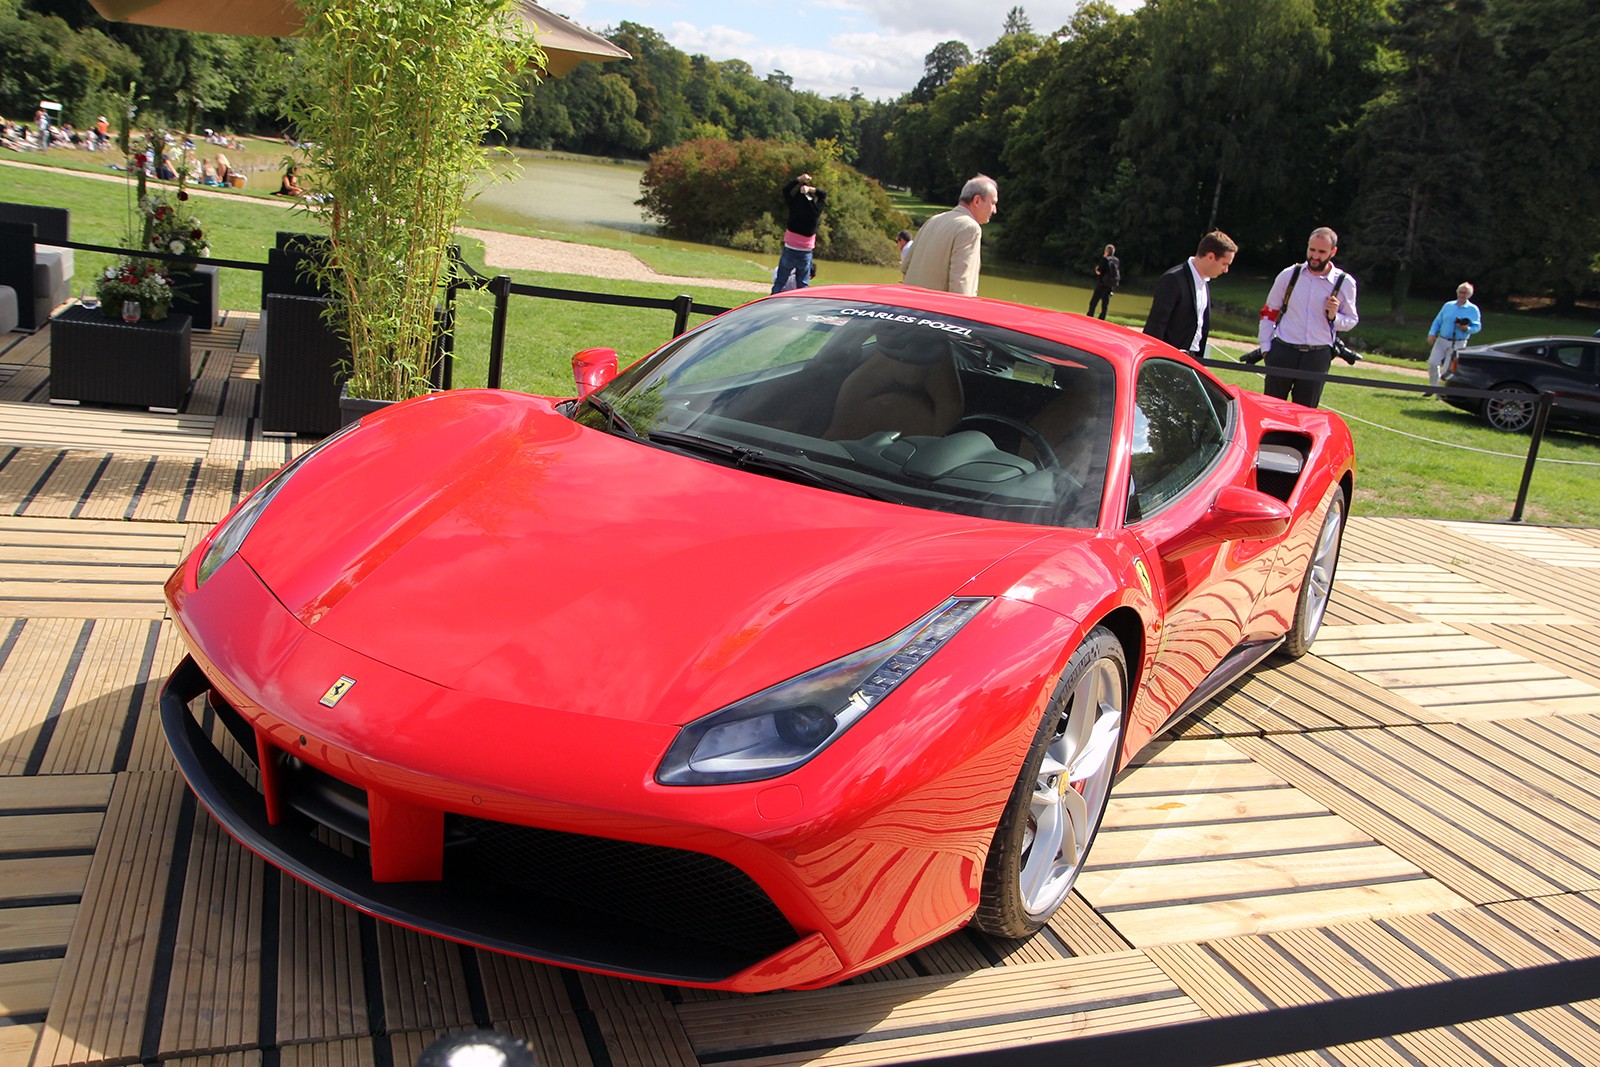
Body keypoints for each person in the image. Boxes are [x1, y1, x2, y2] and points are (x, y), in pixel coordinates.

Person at [1257, 226, 1359, 409]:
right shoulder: (1289, 275)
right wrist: (1266, 347)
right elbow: (1269, 312)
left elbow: (1351, 320)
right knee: (1270, 409)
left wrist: (1334, 317)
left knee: (1305, 415)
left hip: (1317, 356)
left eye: (1321, 252)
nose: (1315, 256)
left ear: (1333, 252)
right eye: (1312, 250)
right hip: (1283, 350)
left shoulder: (1345, 283)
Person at [1142, 231, 1237, 358]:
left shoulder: (1204, 284)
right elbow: (1155, 326)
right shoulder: (1173, 279)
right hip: (1167, 360)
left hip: (1190, 361)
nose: (1226, 270)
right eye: (1225, 264)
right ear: (1210, 257)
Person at [902, 175, 999, 296]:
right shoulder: (970, 228)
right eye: (993, 203)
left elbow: (905, 266)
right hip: (938, 312)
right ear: (977, 200)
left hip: (908, 307)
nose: (994, 210)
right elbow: (961, 285)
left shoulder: (933, 220)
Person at [770, 172, 827, 294]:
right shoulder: (815, 212)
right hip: (805, 253)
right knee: (802, 286)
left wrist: (799, 180)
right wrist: (810, 189)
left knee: (780, 282)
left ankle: (769, 305)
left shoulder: (794, 206)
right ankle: (801, 308)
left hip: (790, 249)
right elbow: (823, 194)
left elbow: (786, 190)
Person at [1425, 282, 1482, 392]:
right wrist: (1432, 334)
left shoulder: (1473, 309)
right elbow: (1438, 321)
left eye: (1465, 293)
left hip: (1458, 342)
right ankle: (1433, 387)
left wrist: (1466, 329)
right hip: (1442, 339)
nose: (1462, 295)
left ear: (1469, 295)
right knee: (1432, 363)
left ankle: (1440, 392)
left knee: (1447, 369)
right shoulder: (1448, 305)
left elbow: (1477, 327)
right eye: (1460, 292)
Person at [1087, 243, 1120, 319]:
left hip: (1102, 284)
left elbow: (1098, 271)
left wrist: (1096, 268)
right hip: (1111, 286)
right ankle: (1102, 319)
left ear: (1106, 251)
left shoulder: (1105, 259)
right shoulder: (1116, 260)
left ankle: (1089, 318)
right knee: (1105, 304)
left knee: (1093, 302)